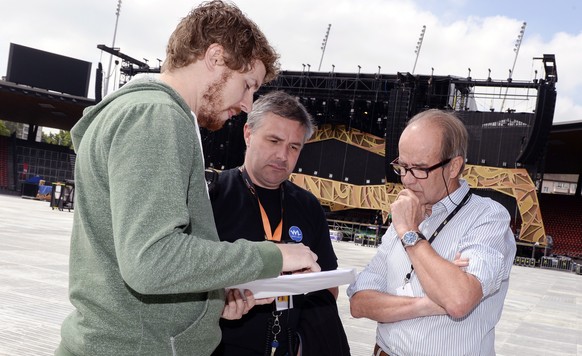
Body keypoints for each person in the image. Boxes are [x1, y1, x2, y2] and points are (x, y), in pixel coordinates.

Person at [56, 2, 321, 355]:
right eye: (247, 85)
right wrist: (272, 256)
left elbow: (137, 263)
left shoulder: (143, 113)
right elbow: (151, 261)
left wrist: (210, 300)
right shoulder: (156, 115)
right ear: (215, 57)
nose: (247, 103)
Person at [347, 109, 516, 356]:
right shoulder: (407, 211)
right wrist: (429, 304)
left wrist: (410, 233)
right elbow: (360, 303)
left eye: (420, 169)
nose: (408, 180)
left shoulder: (488, 217)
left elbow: (458, 300)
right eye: (402, 167)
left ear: (453, 167)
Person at [208, 91, 350, 355]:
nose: (283, 155)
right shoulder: (212, 196)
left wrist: (302, 341)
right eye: (274, 140)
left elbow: (328, 286)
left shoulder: (308, 205)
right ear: (248, 134)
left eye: (294, 147)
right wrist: (219, 299)